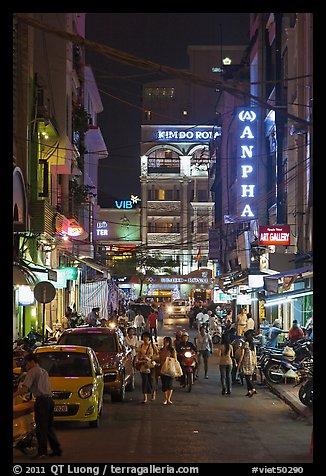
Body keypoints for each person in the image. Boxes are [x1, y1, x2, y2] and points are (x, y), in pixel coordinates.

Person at [13, 352, 62, 458]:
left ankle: (42, 452)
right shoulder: (43, 371)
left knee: (41, 428)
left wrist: (14, 395)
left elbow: (25, 388)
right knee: (48, 427)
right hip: (49, 400)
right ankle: (56, 450)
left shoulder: (32, 372)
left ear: (31, 362)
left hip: (42, 401)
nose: (26, 366)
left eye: (26, 363)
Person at [135, 331, 158, 403]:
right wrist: (139, 360)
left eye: (147, 337)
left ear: (149, 338)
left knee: (151, 380)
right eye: (144, 337)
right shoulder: (141, 346)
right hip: (143, 365)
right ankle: (145, 397)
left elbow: (157, 355)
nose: (145, 338)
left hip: (151, 365)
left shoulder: (153, 346)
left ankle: (153, 392)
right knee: (144, 381)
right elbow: (138, 355)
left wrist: (151, 358)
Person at [237, 330, 257, 397]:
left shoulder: (245, 344)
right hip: (252, 363)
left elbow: (242, 354)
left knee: (247, 377)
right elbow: (255, 355)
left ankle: (253, 389)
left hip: (246, 362)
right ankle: (249, 391)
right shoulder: (253, 345)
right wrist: (255, 364)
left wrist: (239, 363)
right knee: (248, 376)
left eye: (244, 336)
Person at [158, 336, 177, 404]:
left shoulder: (172, 350)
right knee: (164, 385)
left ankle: (169, 399)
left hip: (170, 369)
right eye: (164, 341)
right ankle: (165, 399)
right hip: (163, 369)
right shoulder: (161, 350)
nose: (165, 343)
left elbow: (175, 359)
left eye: (166, 341)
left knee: (170, 385)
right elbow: (159, 358)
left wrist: (168, 360)